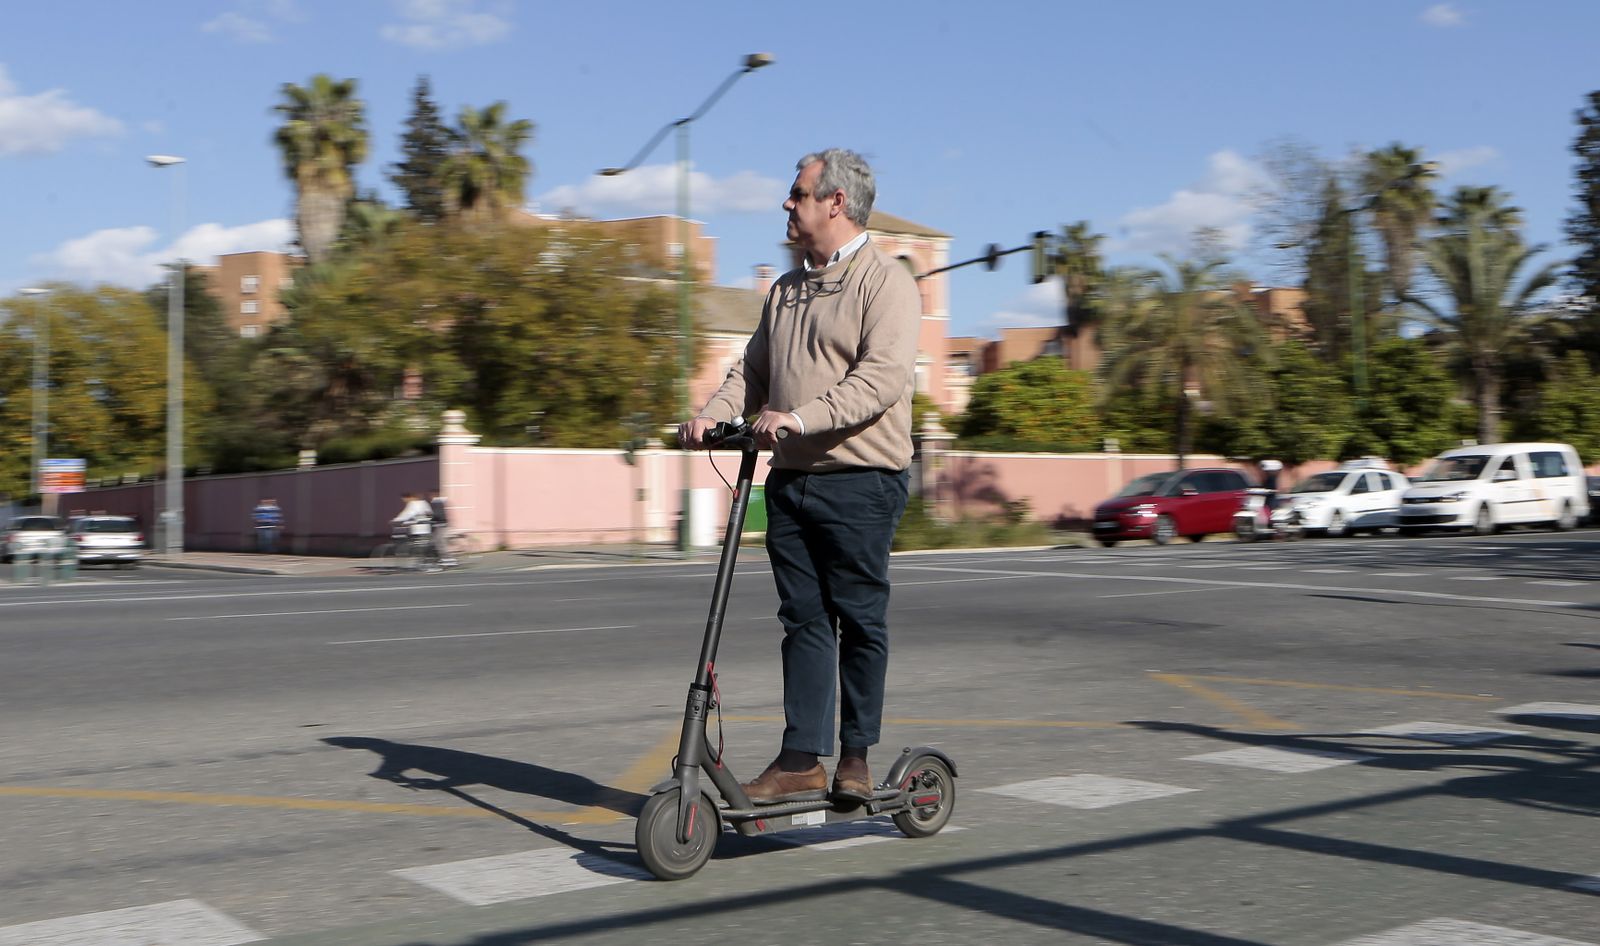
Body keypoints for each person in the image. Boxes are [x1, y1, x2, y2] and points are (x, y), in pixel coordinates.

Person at [678, 149, 920, 805]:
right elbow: (751, 371)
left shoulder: (886, 281)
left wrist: (799, 418)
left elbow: (881, 380)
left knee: (860, 618)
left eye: (797, 194)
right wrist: (712, 416)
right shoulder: (786, 290)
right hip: (789, 480)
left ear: (835, 202)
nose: (787, 204)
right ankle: (800, 759)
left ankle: (856, 756)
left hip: (862, 479)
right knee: (803, 620)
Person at [391, 492, 434, 564]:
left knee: (419, 546)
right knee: (423, 545)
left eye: (404, 499)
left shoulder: (413, 503)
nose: (405, 501)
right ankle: (424, 560)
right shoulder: (424, 503)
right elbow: (429, 514)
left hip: (418, 529)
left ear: (409, 497)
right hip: (426, 528)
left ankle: (421, 561)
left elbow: (407, 514)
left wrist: (396, 520)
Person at [427, 491, 455, 566]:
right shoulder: (440, 501)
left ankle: (448, 559)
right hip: (441, 524)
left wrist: (431, 519)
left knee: (440, 542)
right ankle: (443, 558)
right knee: (436, 541)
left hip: (441, 525)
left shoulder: (436, 502)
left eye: (431, 494)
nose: (430, 496)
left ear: (434, 494)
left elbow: (438, 514)